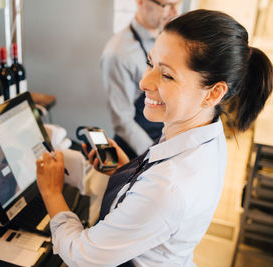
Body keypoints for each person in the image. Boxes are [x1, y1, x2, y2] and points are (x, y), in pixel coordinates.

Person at [36, 9, 273, 266]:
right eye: (150, 63)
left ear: (214, 93)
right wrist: (126, 172)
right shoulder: (203, 128)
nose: (144, 83)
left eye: (167, 75)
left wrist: (51, 192)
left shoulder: (168, 188)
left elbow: (82, 254)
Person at [101, 0, 180, 159]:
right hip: (137, 152)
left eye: (177, 4)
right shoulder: (118, 53)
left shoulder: (170, 40)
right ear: (141, 2)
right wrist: (155, 156)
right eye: (166, 6)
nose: (174, 12)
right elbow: (122, 121)